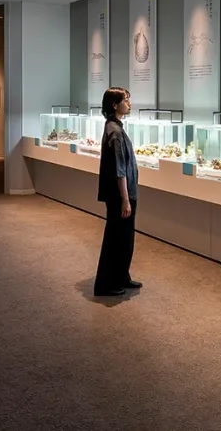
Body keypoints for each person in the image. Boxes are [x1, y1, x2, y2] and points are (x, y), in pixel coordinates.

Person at [93, 86, 142, 297]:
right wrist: (125, 199)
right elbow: (119, 169)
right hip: (120, 195)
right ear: (115, 105)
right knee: (115, 238)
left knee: (125, 238)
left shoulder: (115, 128)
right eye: (126, 100)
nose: (129, 103)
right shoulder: (114, 132)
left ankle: (121, 276)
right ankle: (105, 284)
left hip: (125, 193)